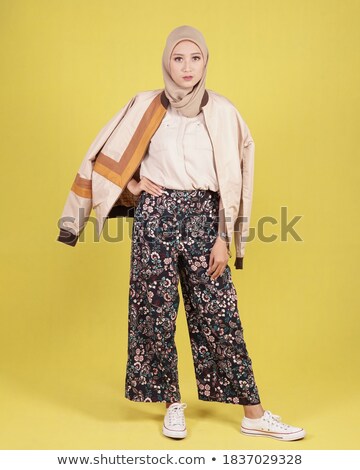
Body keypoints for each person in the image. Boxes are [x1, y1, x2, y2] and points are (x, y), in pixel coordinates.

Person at [121, 25, 306, 441]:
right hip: (157, 216)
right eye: (178, 58)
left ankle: (253, 413)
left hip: (205, 216)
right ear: (167, 61)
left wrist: (223, 235)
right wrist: (132, 187)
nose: (187, 67)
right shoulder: (147, 107)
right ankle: (171, 403)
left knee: (219, 313)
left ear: (205, 61)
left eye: (195, 58)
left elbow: (233, 177)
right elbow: (111, 154)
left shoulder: (221, 111)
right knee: (155, 311)